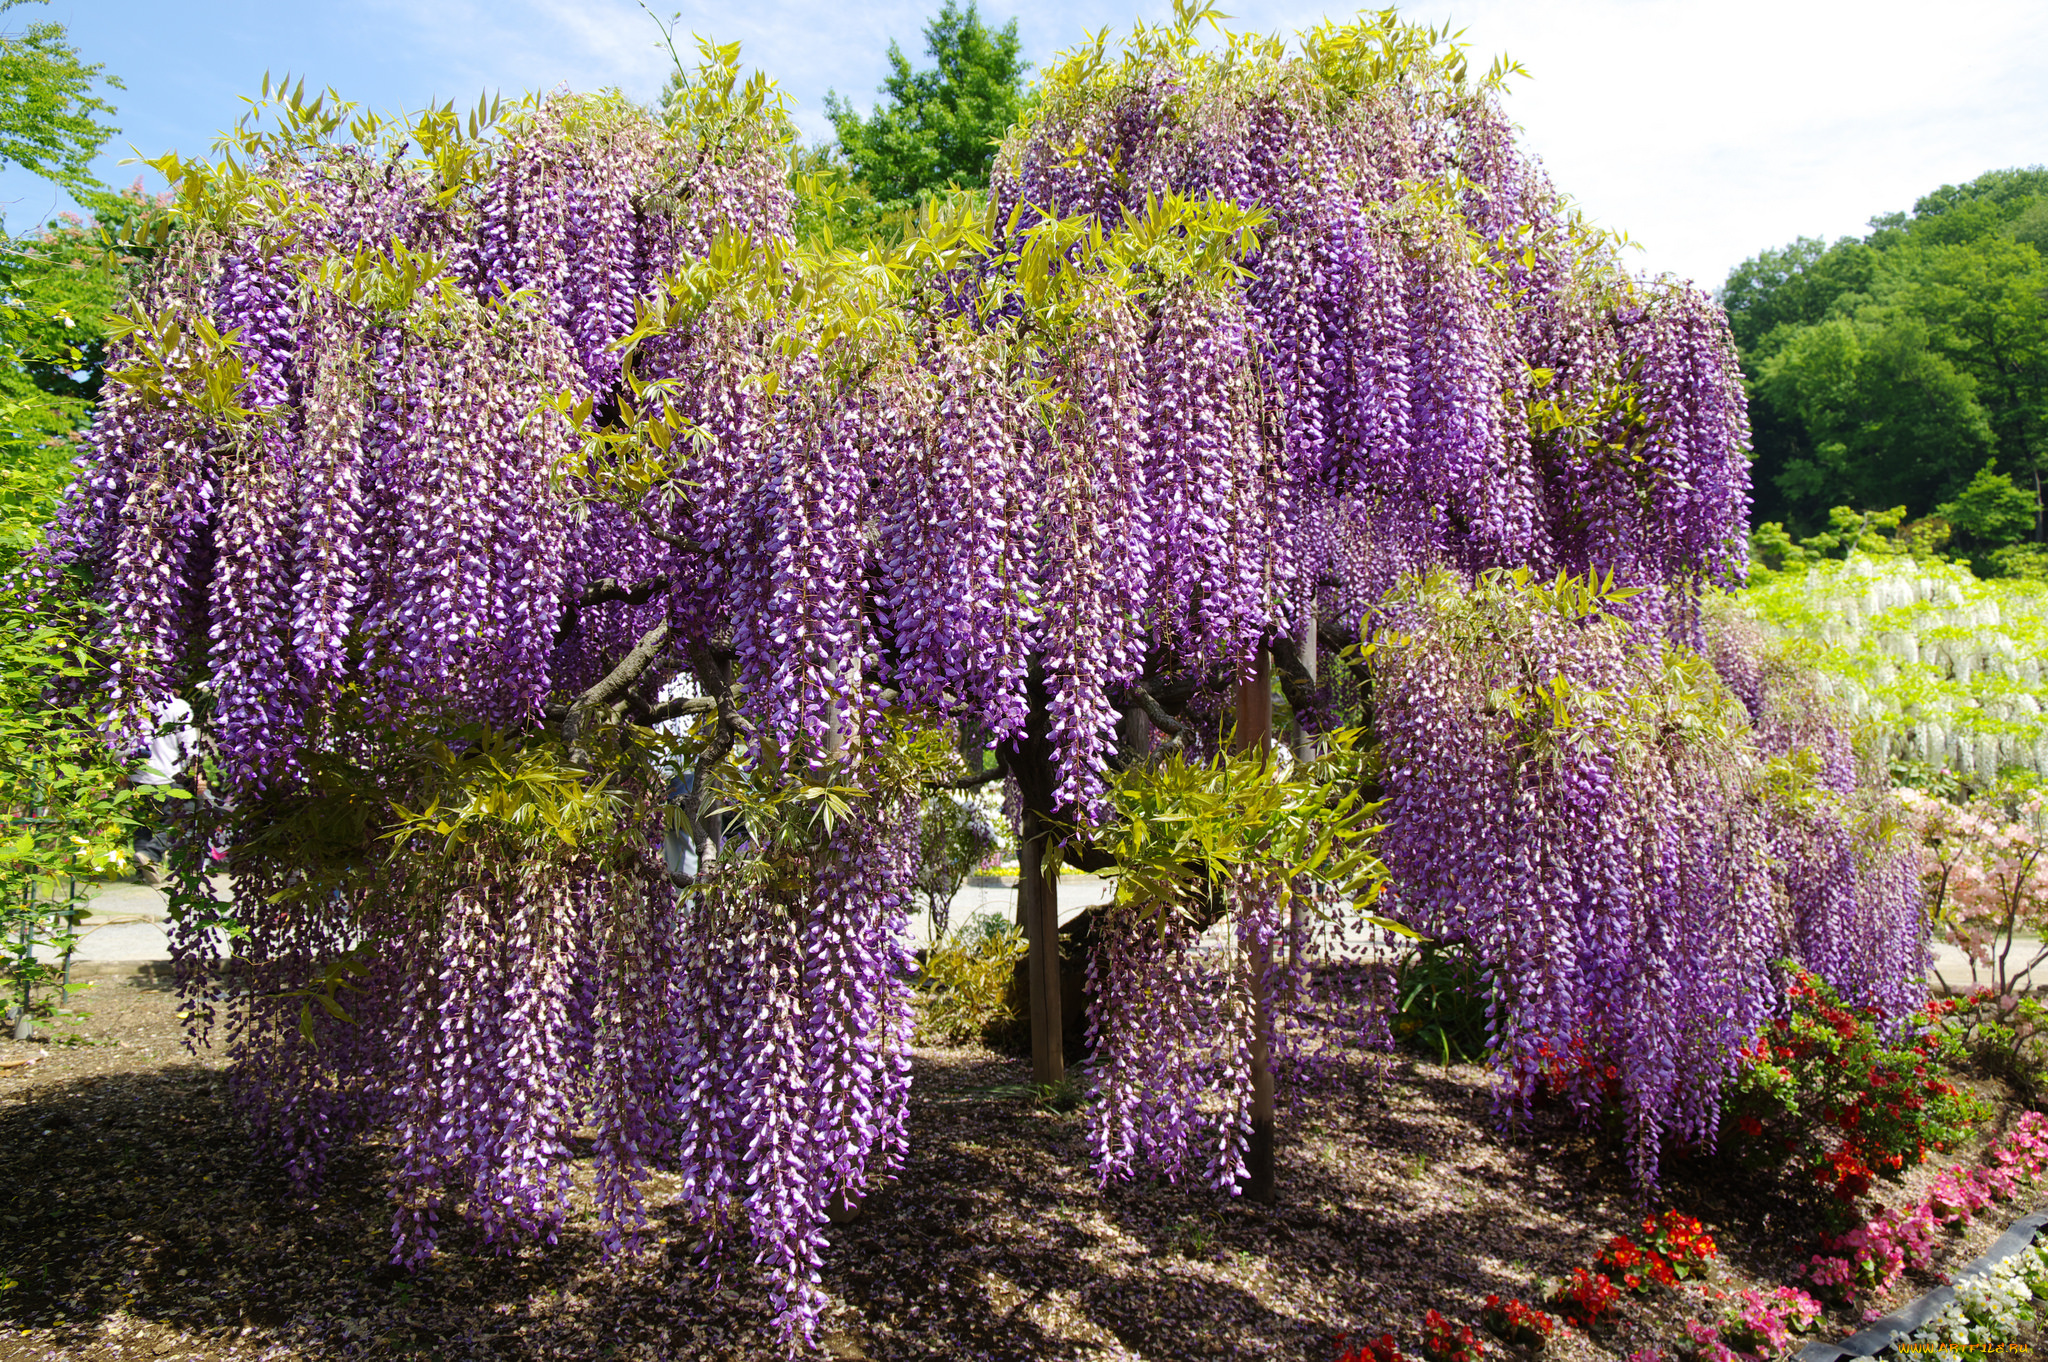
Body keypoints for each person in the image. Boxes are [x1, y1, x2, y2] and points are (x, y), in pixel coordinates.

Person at [127, 697, 203, 885]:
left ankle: (143, 874)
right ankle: (149, 855)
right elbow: (190, 745)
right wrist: (197, 774)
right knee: (181, 819)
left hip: (136, 778)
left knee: (143, 825)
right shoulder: (178, 706)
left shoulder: (133, 702)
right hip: (168, 776)